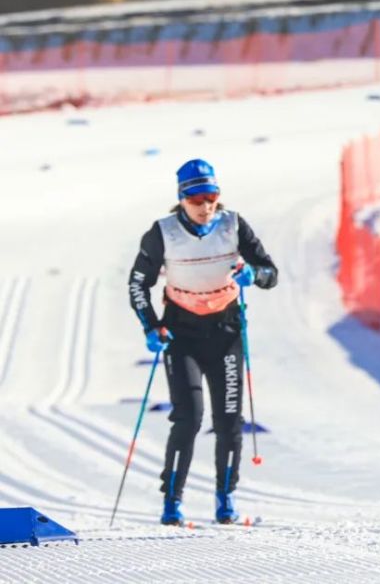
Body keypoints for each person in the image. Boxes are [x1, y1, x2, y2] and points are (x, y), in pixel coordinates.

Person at [128, 158, 278, 525]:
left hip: (225, 333)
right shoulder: (162, 232)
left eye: (211, 196)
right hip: (182, 334)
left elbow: (271, 273)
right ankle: (172, 502)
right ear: (181, 198)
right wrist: (151, 326)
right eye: (195, 198)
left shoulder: (233, 224)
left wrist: (253, 275)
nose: (205, 205)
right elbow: (137, 284)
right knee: (188, 418)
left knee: (229, 421)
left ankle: (225, 497)